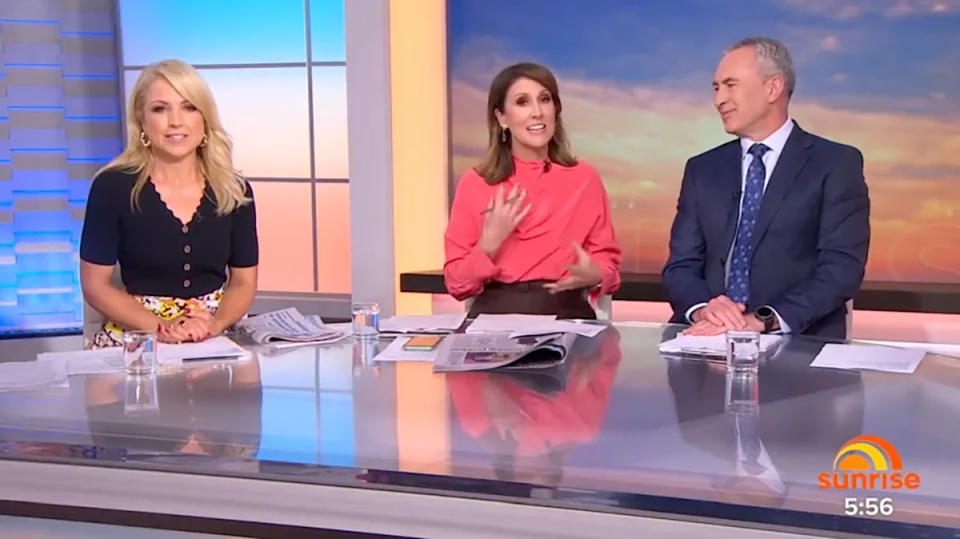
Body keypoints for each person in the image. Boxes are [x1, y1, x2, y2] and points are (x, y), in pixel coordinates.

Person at [662, 37, 869, 339]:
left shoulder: (835, 163)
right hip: (706, 340)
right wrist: (705, 308)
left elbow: (842, 269)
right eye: (716, 88)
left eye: (730, 85)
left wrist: (762, 321)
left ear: (773, 88)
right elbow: (680, 265)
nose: (719, 99)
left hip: (798, 347)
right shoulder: (701, 169)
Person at [80, 59, 258, 348]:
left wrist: (213, 326)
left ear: (205, 119)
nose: (176, 121)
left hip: (211, 333)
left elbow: (243, 282)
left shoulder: (234, 190)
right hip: (137, 333)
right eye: (160, 109)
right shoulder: (111, 186)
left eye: (188, 107)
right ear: (142, 120)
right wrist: (163, 328)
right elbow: (95, 287)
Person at [444, 62, 621, 319]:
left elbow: (609, 267)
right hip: (496, 317)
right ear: (502, 117)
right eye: (522, 102)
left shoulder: (585, 178)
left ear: (555, 110)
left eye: (544, 99)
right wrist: (488, 244)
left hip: (567, 314)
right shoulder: (476, 183)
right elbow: (456, 284)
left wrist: (595, 275)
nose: (537, 112)